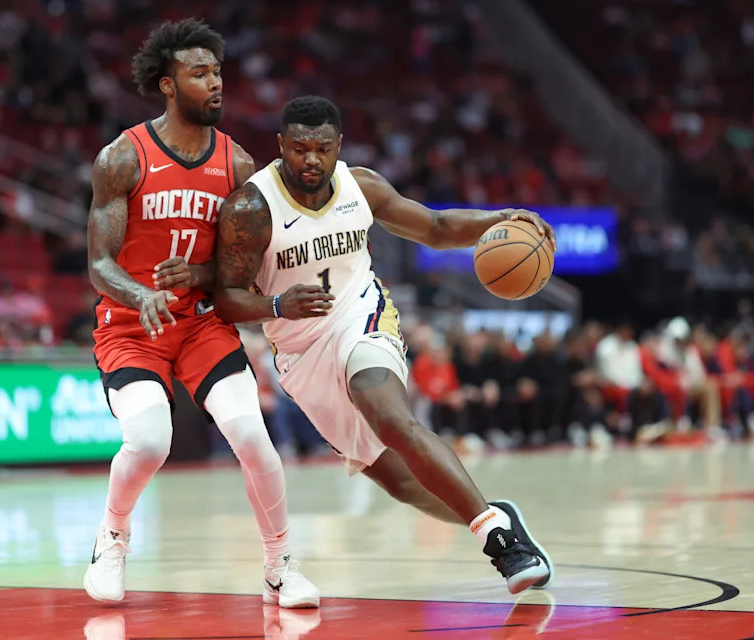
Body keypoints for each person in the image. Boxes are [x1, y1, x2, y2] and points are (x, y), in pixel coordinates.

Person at [214, 95, 554, 594]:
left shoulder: (361, 186)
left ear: (339, 145)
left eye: (323, 149)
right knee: (402, 484)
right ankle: (492, 512)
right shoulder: (252, 207)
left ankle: (500, 541)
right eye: (301, 148)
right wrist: (277, 305)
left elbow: (435, 228)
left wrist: (498, 218)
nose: (312, 160)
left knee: (389, 416)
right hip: (299, 349)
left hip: (361, 315)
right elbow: (225, 298)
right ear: (281, 145)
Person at [85, 20, 319, 608]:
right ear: (168, 85)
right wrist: (139, 294)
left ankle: (280, 565)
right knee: (148, 442)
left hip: (200, 324)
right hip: (132, 326)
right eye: (199, 74)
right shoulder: (122, 158)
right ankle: (112, 537)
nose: (215, 83)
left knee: (253, 437)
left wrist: (199, 275)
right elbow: (99, 263)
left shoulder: (237, 164)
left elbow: (242, 266)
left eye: (217, 72)